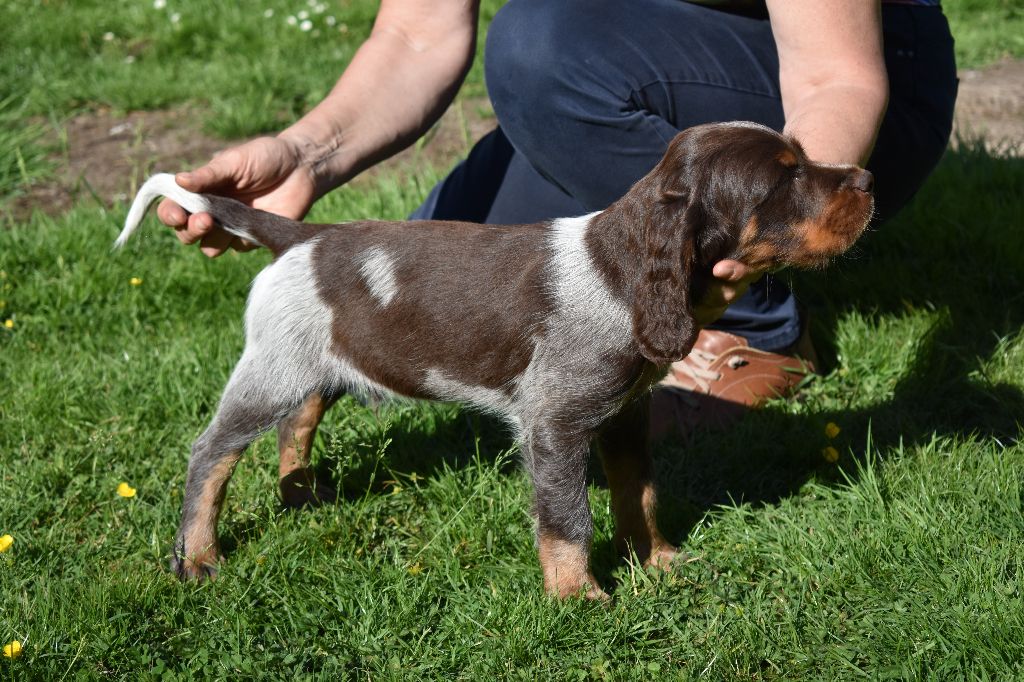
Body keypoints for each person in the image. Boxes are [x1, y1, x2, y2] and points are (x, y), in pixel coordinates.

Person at [156, 0, 957, 432]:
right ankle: (589, 116)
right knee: (423, 300)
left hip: (854, 68)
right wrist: (305, 154)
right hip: (623, 55)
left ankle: (757, 325)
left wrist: (780, 225)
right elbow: (415, 31)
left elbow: (834, 75)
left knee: (541, 50)